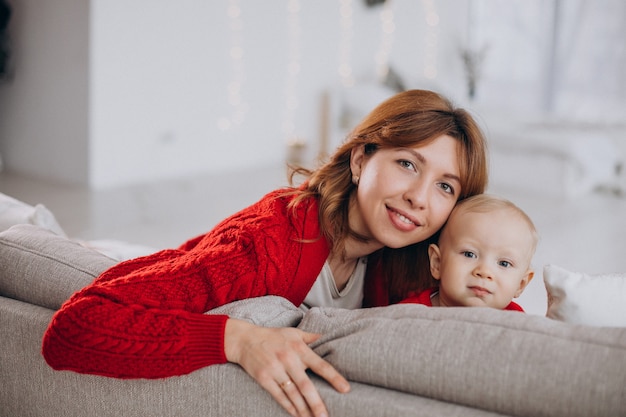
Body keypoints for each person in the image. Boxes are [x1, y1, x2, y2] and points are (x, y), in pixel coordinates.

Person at [42, 89, 488, 417]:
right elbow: (74, 328)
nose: (420, 198)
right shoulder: (270, 244)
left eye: (445, 186)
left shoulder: (407, 262)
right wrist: (235, 338)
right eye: (407, 164)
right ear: (359, 160)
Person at [400, 194, 538, 311]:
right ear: (437, 263)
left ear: (521, 284)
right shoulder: (407, 315)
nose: (484, 272)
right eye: (469, 254)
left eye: (504, 263)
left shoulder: (517, 324)